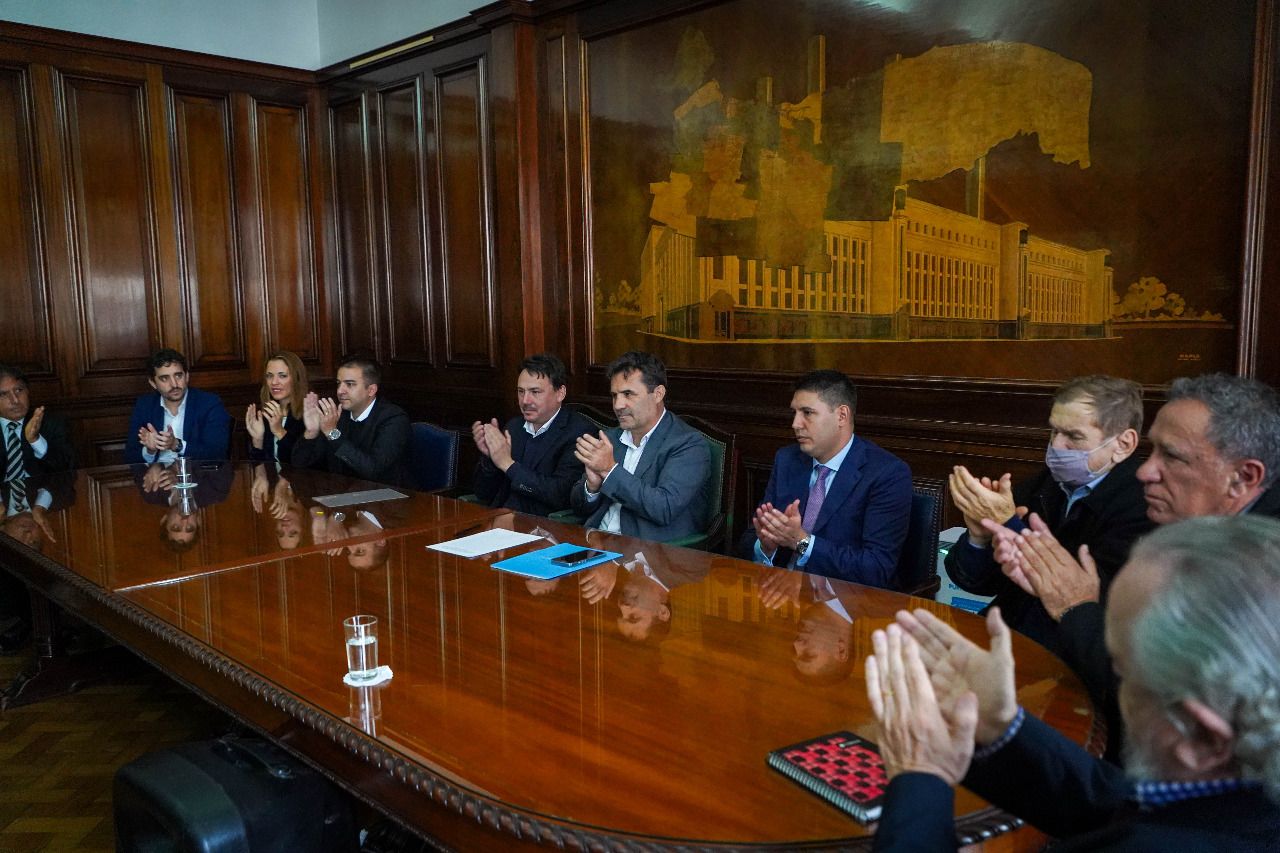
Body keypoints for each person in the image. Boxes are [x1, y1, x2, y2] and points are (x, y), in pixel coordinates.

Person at [867, 515, 1280, 851]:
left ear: (1202, 737)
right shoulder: (1241, 798)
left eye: (1120, 670)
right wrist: (1000, 725)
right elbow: (1117, 802)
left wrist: (921, 780)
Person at [982, 374, 1280, 751]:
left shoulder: (1262, 570)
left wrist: (1074, 606)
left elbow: (1153, 704)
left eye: (1170, 456)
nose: (1144, 471)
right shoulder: (1202, 528)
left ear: (1242, 478)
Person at [944, 376, 1152, 657]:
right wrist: (980, 537)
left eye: (1074, 436)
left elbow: (1085, 602)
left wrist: (1009, 525)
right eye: (1054, 432)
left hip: (1072, 655)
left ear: (1124, 444)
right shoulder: (1043, 487)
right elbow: (980, 583)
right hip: (1007, 636)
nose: (1057, 446)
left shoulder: (1144, 505)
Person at [739, 370, 911, 588]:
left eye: (807, 413)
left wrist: (802, 542)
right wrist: (766, 546)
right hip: (778, 594)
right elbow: (749, 538)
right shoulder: (787, 460)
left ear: (841, 416)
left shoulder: (887, 474)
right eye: (795, 413)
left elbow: (876, 569)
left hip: (844, 606)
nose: (795, 423)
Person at [570, 351, 710, 541]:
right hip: (594, 544)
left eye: (628, 394)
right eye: (614, 395)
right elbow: (579, 508)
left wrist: (610, 470)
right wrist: (592, 487)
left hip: (648, 556)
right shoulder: (610, 438)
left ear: (658, 394)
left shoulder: (688, 444)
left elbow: (664, 508)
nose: (618, 405)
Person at [1, 363, 75, 653]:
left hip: (50, 511)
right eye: (4, 394)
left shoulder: (50, 423)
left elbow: (66, 472)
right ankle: (28, 623)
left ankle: (49, 624)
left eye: (19, 391)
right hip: (4, 514)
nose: (15, 400)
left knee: (50, 550)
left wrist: (35, 440)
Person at [470, 353, 594, 516]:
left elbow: (561, 495)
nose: (525, 401)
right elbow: (482, 493)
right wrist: (490, 458)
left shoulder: (579, 433)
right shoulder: (514, 427)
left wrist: (508, 464)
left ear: (560, 393)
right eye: (521, 392)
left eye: (535, 392)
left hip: (543, 527)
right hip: (499, 519)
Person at [292, 355, 411, 487]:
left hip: (388, 499)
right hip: (343, 495)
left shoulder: (394, 419)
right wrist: (311, 432)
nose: (340, 391)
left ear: (371, 390)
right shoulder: (339, 415)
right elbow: (299, 465)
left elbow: (373, 470)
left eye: (349, 384)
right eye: (339, 383)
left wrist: (333, 433)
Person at [124, 349, 229, 464]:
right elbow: (129, 456)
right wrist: (149, 451)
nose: (174, 384)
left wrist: (176, 445)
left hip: (195, 477)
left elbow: (217, 453)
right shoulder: (145, 406)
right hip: (158, 478)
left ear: (187, 376)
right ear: (153, 383)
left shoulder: (209, 403)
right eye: (164, 378)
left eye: (178, 376)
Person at [245, 351, 308, 464]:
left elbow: (303, 462)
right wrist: (258, 440)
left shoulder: (309, 415)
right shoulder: (267, 414)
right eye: (269, 376)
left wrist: (279, 431)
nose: (274, 382)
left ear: (297, 378)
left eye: (282, 376)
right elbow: (259, 468)